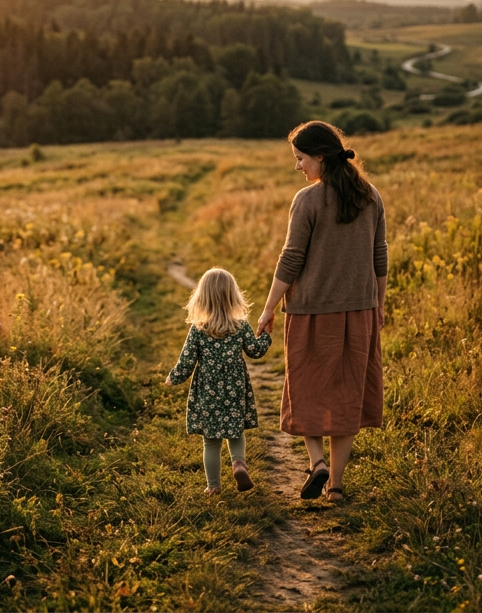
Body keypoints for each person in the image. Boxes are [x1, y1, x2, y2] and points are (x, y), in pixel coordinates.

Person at [256, 121, 387, 501]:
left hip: (311, 311)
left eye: (300, 159)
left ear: (319, 156)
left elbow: (291, 259)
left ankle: (317, 464)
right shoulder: (371, 196)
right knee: (347, 395)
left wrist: (268, 308)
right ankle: (336, 487)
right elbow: (380, 256)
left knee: (306, 390)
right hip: (360, 311)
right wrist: (379, 305)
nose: (297, 166)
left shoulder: (307, 200)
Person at [165, 267, 272, 494]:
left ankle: (213, 486)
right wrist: (266, 335)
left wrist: (173, 377)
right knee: (236, 431)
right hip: (235, 388)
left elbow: (187, 361)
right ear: (233, 296)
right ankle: (238, 463)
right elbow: (255, 351)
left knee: (211, 440)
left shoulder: (198, 329)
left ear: (202, 298)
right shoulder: (240, 326)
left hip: (207, 390)